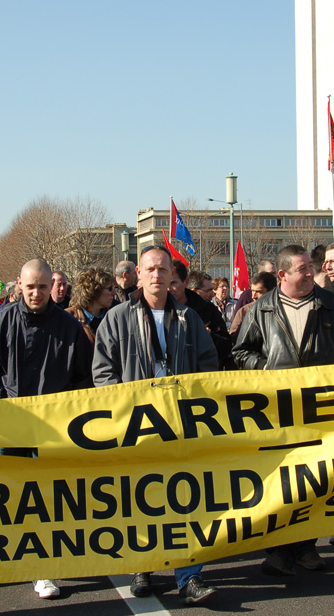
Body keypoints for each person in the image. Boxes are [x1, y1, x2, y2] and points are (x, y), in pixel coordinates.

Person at [92, 246, 220, 606]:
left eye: (163, 270)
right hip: (136, 425)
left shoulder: (189, 318)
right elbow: (103, 372)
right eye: (150, 269)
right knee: (140, 500)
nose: (156, 276)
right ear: (139, 274)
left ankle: (189, 576)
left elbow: (209, 365)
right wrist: (126, 408)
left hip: (180, 425)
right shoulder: (117, 318)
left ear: (171, 275)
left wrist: (193, 401)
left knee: (187, 501)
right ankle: (142, 567)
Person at [234, 244, 334, 578]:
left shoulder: (330, 304)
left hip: (321, 408)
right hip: (277, 412)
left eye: (311, 267)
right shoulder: (261, 310)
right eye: (303, 268)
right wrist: (266, 368)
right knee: (280, 481)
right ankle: (278, 551)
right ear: (282, 275)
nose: (311, 272)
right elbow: (240, 353)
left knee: (315, 478)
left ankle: (308, 547)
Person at [0, 259, 92, 600]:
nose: (36, 293)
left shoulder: (69, 328)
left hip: (55, 431)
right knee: (15, 502)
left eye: (42, 286)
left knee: (52, 502)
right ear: (19, 286)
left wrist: (64, 411)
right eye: (30, 286)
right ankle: (21, 562)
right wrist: (2, 406)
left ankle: (45, 568)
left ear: (50, 285)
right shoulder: (0, 324)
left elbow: (85, 381)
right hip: (11, 431)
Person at [172, 263, 233, 370]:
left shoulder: (210, 311)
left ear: (185, 282)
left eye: (173, 283)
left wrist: (209, 335)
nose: (213, 294)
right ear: (194, 291)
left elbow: (226, 346)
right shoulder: (160, 308)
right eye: (208, 290)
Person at [65, 268, 115, 345]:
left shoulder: (114, 317)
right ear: (94, 290)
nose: (114, 293)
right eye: (110, 289)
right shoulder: (69, 317)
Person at [228, 272, 277, 340]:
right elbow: (234, 338)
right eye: (252, 291)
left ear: (272, 291)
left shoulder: (282, 311)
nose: (253, 296)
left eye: (258, 292)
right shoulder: (244, 311)